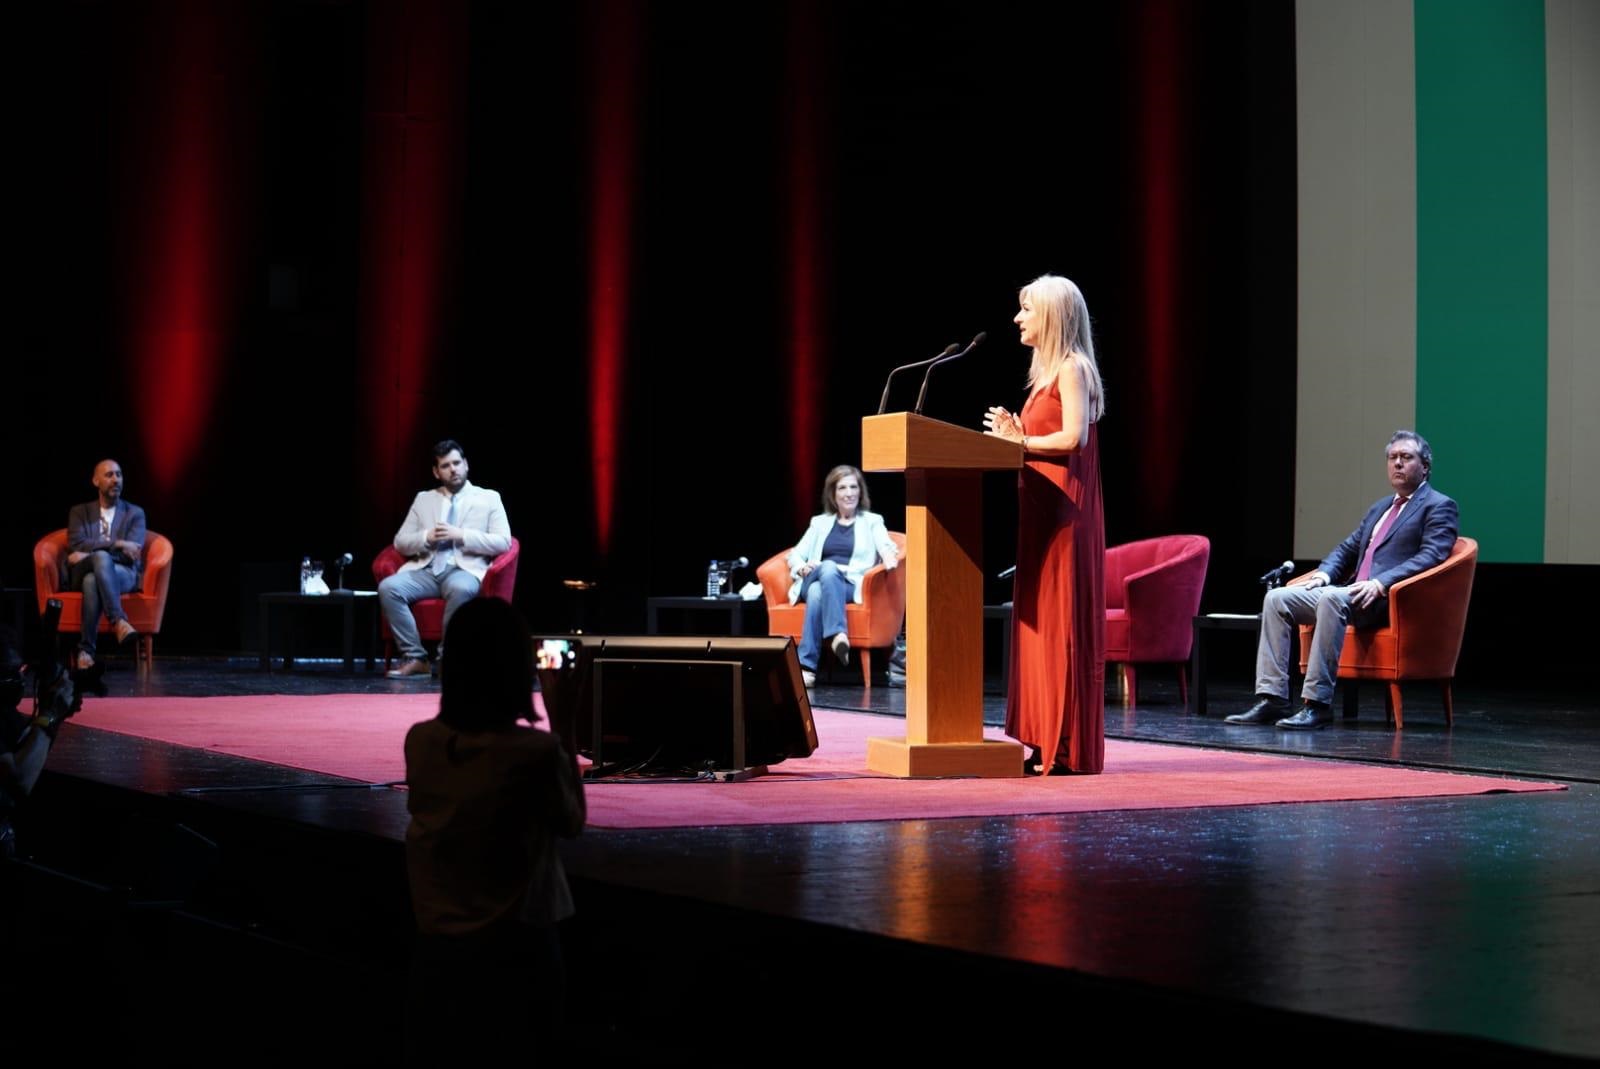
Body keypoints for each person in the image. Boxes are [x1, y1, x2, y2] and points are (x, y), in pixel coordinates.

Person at [403, 596, 586, 1060]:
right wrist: (564, 725)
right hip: (518, 947)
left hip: (437, 945)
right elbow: (571, 821)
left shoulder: (421, 741)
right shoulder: (533, 752)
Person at [1226, 430, 1458, 730]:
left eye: (1406, 457)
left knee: (1332, 598)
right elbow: (1347, 549)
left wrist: (1381, 583)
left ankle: (1317, 704)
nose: (1397, 464)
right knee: (1277, 598)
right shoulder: (1381, 507)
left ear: (1424, 466)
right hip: (1350, 594)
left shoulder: (1439, 505)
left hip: (1387, 601)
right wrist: (1324, 574)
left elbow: (1432, 556)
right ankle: (1274, 699)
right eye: (1392, 458)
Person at [983, 275, 1107, 775]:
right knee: (1039, 628)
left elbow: (1074, 438)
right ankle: (1043, 739)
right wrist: (1015, 436)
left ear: (1053, 316)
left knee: (1060, 629)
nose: (1018, 318)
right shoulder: (1045, 375)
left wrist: (1020, 442)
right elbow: (1041, 438)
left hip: (1064, 519)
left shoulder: (1073, 368)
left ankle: (1066, 746)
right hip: (1040, 516)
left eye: (1027, 309)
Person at [380, 439, 512, 679]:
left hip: (464, 569)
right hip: (428, 569)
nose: (453, 469)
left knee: (460, 588)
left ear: (466, 465)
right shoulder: (424, 499)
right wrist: (426, 537)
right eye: (445, 465)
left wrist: (461, 535)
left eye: (456, 463)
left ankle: (447, 659)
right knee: (389, 587)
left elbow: (503, 541)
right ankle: (416, 657)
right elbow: (400, 542)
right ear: (436, 472)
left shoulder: (489, 498)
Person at [784, 465, 899, 688]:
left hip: (848, 584)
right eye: (843, 488)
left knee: (817, 593)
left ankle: (806, 668)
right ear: (833, 494)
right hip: (815, 575)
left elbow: (885, 545)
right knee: (827, 568)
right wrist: (801, 567)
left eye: (854, 487)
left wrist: (888, 556)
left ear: (860, 491)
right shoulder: (819, 523)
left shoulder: (872, 521)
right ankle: (837, 633)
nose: (849, 493)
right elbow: (795, 554)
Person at [64, 459, 147, 672]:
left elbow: (131, 555)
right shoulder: (79, 512)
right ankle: (118, 621)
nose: (115, 479)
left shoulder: (135, 513)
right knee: (98, 562)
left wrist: (91, 553)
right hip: (80, 571)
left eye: (119, 474)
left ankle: (86, 651)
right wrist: (117, 544)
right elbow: (76, 545)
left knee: (92, 579)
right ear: (96, 481)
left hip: (123, 573)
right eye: (109, 475)